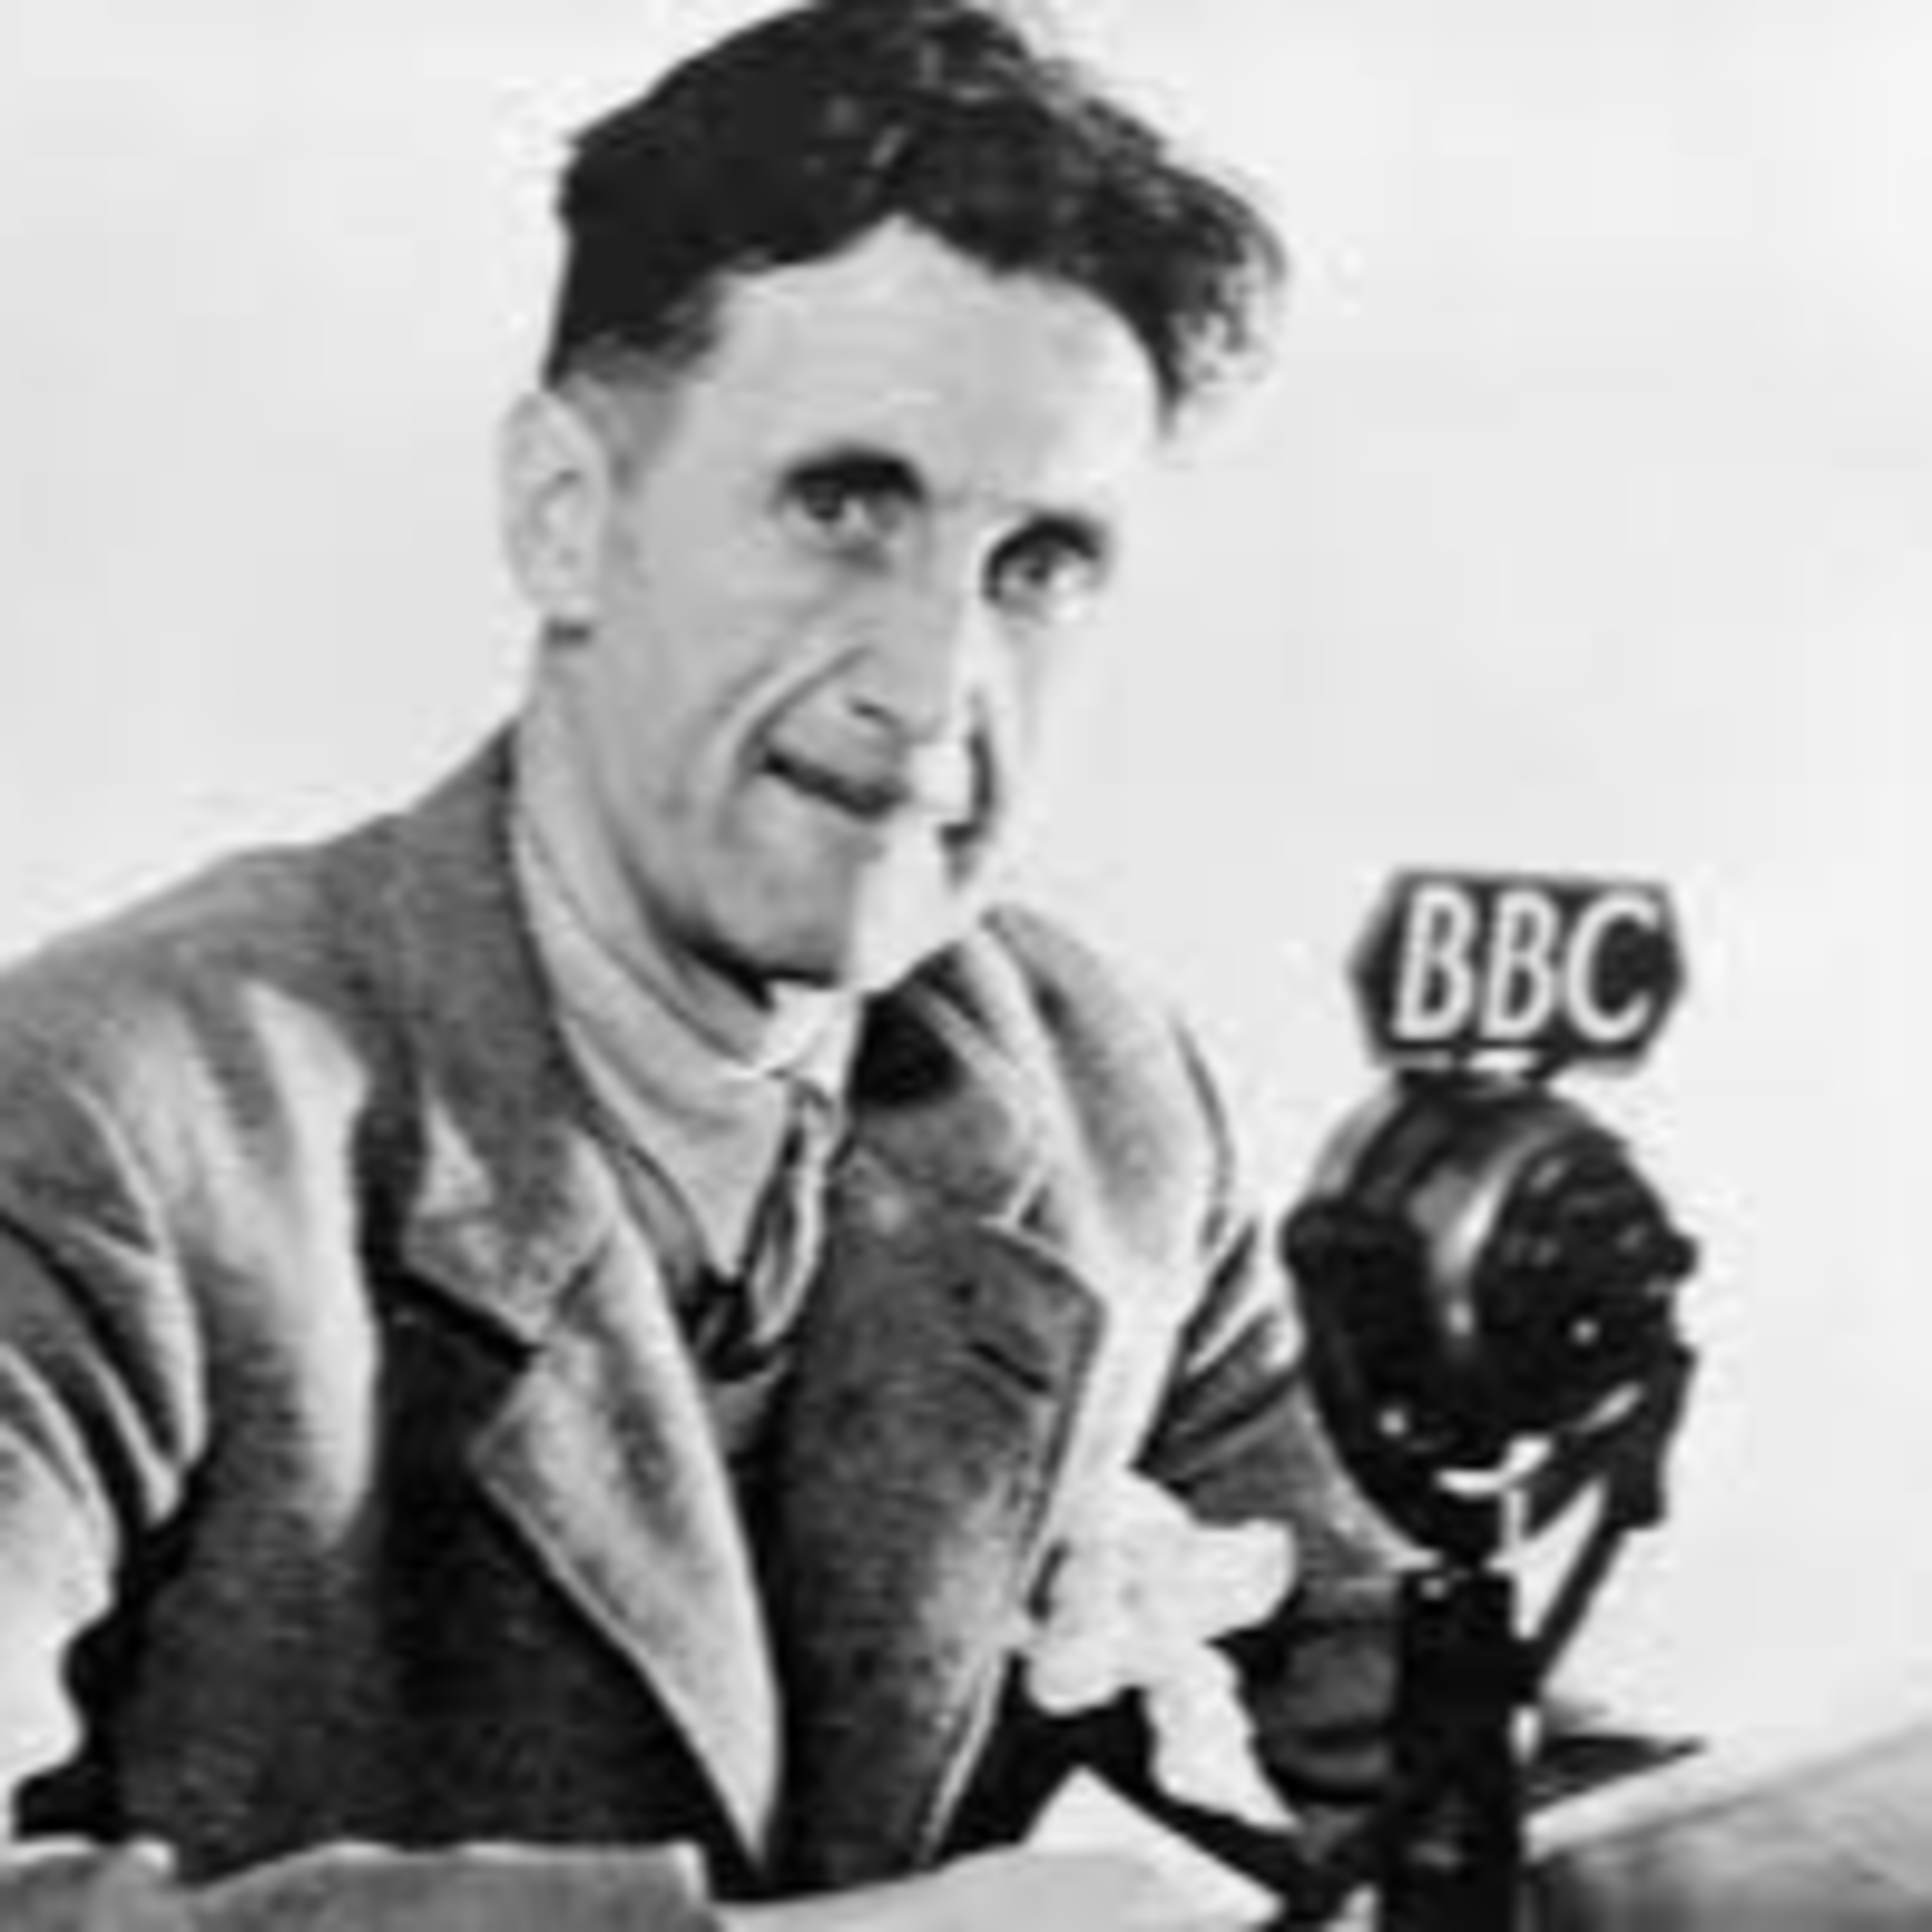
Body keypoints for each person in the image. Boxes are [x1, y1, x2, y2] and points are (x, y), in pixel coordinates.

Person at [0, 1, 1402, 1925]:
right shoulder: (112, 1114)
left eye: (1038, 568)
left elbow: (1433, 1746)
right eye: (844, 509)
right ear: (565, 518)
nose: (934, 687)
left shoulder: (1098, 1090)